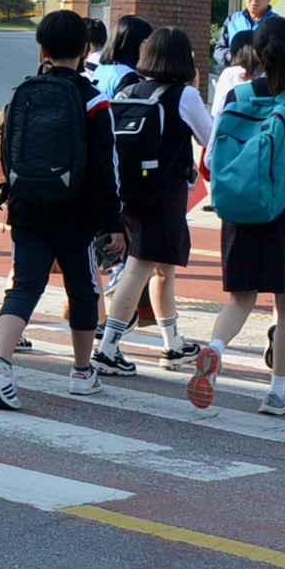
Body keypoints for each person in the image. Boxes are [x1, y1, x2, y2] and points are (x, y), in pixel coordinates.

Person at [0, 10, 126, 411]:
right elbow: (106, 167)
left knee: (23, 287)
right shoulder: (94, 99)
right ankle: (81, 372)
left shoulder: (23, 93)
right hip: (76, 213)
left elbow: (7, 152)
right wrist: (112, 221)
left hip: (26, 208)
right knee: (82, 289)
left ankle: (0, 366)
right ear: (85, 49)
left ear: (42, 49)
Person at [189, 19, 285, 416]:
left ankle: (215, 349)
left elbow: (212, 158)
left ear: (253, 51)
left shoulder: (236, 95)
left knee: (241, 298)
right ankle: (277, 392)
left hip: (239, 206)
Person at [90, 27, 214, 375]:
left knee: (161, 267)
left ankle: (173, 343)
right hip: (164, 191)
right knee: (140, 266)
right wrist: (194, 88)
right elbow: (210, 137)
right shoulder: (184, 95)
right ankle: (107, 348)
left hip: (128, 190)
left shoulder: (129, 91)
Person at [216, 0, 277, 65]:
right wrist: (232, 56)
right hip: (237, 70)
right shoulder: (232, 20)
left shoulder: (277, 24)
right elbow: (219, 49)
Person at [92, 14, 152, 98]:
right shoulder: (128, 76)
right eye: (147, 42)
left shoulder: (101, 68)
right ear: (133, 43)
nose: (150, 47)